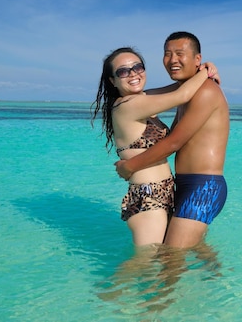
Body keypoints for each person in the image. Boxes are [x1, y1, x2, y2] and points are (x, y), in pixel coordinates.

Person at [91, 46, 219, 247]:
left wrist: (203, 69)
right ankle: (107, 281)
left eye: (137, 67)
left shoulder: (141, 100)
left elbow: (178, 87)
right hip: (148, 198)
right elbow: (182, 94)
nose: (133, 73)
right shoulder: (128, 105)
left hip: (164, 194)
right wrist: (204, 72)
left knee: (162, 262)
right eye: (123, 71)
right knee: (145, 266)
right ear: (112, 80)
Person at [115, 31, 230, 249]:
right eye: (167, 54)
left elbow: (174, 142)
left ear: (197, 59)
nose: (172, 60)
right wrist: (204, 69)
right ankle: (216, 279)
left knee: (170, 260)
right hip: (185, 184)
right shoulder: (187, 90)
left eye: (179, 54)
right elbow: (142, 98)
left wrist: (129, 166)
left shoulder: (204, 91)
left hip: (203, 187)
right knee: (192, 250)